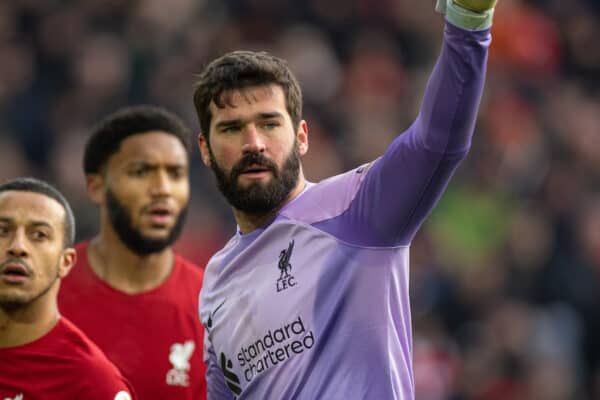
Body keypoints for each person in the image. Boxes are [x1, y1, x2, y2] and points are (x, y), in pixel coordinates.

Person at [192, 0, 498, 398]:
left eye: (269, 123)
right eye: (232, 129)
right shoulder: (216, 282)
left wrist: (468, 22)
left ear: (302, 136)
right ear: (205, 149)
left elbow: (438, 143)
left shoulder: (356, 208)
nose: (254, 144)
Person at [58, 105, 207, 400]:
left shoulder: (212, 305)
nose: (162, 189)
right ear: (96, 187)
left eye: (175, 173)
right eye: (141, 172)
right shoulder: (45, 291)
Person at [0, 177, 135, 400]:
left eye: (39, 235)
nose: (18, 247)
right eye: (3, 231)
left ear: (66, 262)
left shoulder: (92, 382)